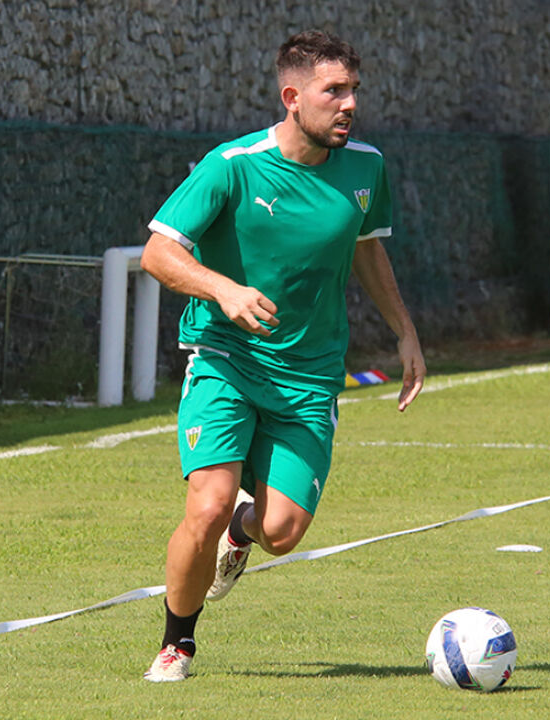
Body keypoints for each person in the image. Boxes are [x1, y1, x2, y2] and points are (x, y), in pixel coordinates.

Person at [138, 30, 427, 682]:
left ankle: (245, 531)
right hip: (225, 358)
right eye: (335, 91)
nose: (350, 104)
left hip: (310, 374)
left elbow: (367, 247)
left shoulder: (366, 167)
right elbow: (159, 253)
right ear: (293, 96)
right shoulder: (233, 165)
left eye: (354, 90)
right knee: (205, 505)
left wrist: (404, 332)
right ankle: (177, 643)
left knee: (283, 532)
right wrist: (223, 288)